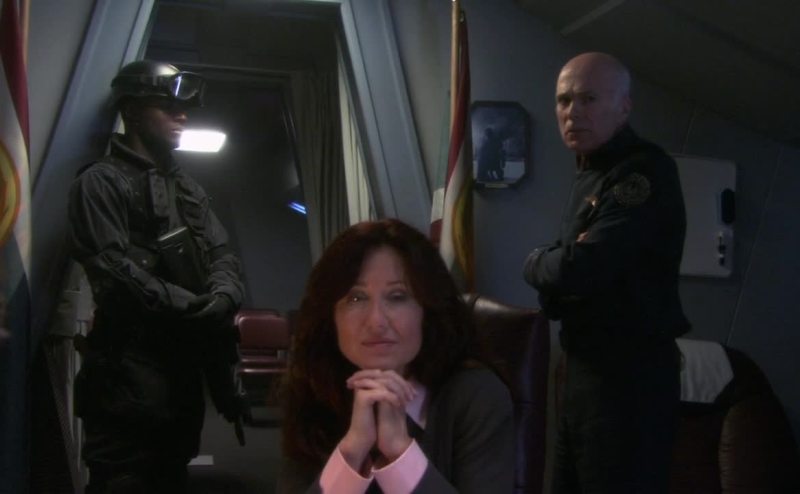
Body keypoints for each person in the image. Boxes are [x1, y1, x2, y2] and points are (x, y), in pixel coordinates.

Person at [68, 60, 245, 493]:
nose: (180, 115)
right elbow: (111, 271)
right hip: (126, 381)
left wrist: (223, 296)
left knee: (172, 476)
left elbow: (222, 254)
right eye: (166, 107)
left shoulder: (188, 189)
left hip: (180, 377)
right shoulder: (100, 182)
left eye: (182, 108)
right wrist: (190, 306)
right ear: (131, 112)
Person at [522, 52, 691, 493]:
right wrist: (563, 267)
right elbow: (568, 277)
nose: (572, 112)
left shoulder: (642, 172)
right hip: (583, 371)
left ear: (624, 107)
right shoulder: (591, 173)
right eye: (563, 100)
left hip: (629, 380)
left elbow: (581, 268)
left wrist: (537, 261)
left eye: (589, 99)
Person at [277, 218, 514, 493]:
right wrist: (351, 452)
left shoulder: (475, 395)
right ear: (330, 317)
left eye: (397, 296)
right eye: (355, 298)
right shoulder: (313, 387)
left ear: (428, 310)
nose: (376, 321)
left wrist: (400, 453)